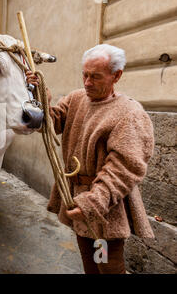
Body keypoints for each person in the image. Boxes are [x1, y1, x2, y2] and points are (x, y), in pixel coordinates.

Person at [26, 44, 154, 274]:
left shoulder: (130, 113)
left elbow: (124, 168)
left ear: (117, 76)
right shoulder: (76, 99)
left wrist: (93, 203)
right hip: (78, 199)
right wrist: (39, 95)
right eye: (84, 74)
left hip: (105, 207)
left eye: (95, 76)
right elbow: (50, 123)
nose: (87, 82)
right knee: (89, 259)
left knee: (107, 264)